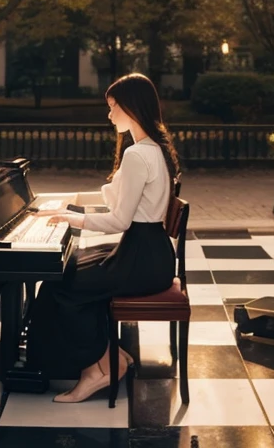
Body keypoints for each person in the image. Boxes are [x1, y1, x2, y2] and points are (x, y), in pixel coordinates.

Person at [25, 72, 180, 403]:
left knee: (63, 284)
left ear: (130, 107)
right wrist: (62, 202)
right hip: (150, 253)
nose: (109, 116)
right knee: (72, 270)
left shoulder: (137, 155)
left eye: (112, 108)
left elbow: (120, 220)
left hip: (141, 259)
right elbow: (118, 201)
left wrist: (71, 218)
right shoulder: (152, 148)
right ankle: (112, 355)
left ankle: (97, 370)